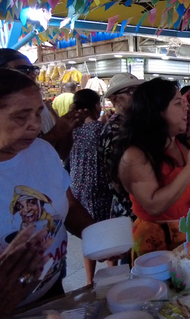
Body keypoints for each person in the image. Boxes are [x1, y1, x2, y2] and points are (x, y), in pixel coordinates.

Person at [0, 69, 96, 315]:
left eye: (38, 113)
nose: (35, 125)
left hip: (51, 290)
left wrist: (101, 237)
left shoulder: (42, 150)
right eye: (21, 117)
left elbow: (68, 204)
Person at [114, 78, 190, 261]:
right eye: (178, 103)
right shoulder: (135, 155)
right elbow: (154, 205)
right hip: (157, 243)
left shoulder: (186, 142)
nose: (186, 107)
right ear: (157, 111)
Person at [0, 48, 86, 159]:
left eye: (33, 69)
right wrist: (57, 131)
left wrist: (67, 129)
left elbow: (60, 154)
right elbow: (20, 156)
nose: (32, 74)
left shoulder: (40, 106)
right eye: (23, 69)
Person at [69, 89, 113, 284]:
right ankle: (113, 279)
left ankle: (89, 281)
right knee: (108, 235)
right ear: (95, 107)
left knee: (88, 235)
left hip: (78, 187)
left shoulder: (72, 130)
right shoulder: (100, 129)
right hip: (100, 188)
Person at [101, 73, 144, 220]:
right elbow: (119, 180)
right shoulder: (115, 130)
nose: (137, 96)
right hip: (129, 212)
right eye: (131, 92)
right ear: (114, 99)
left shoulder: (131, 125)